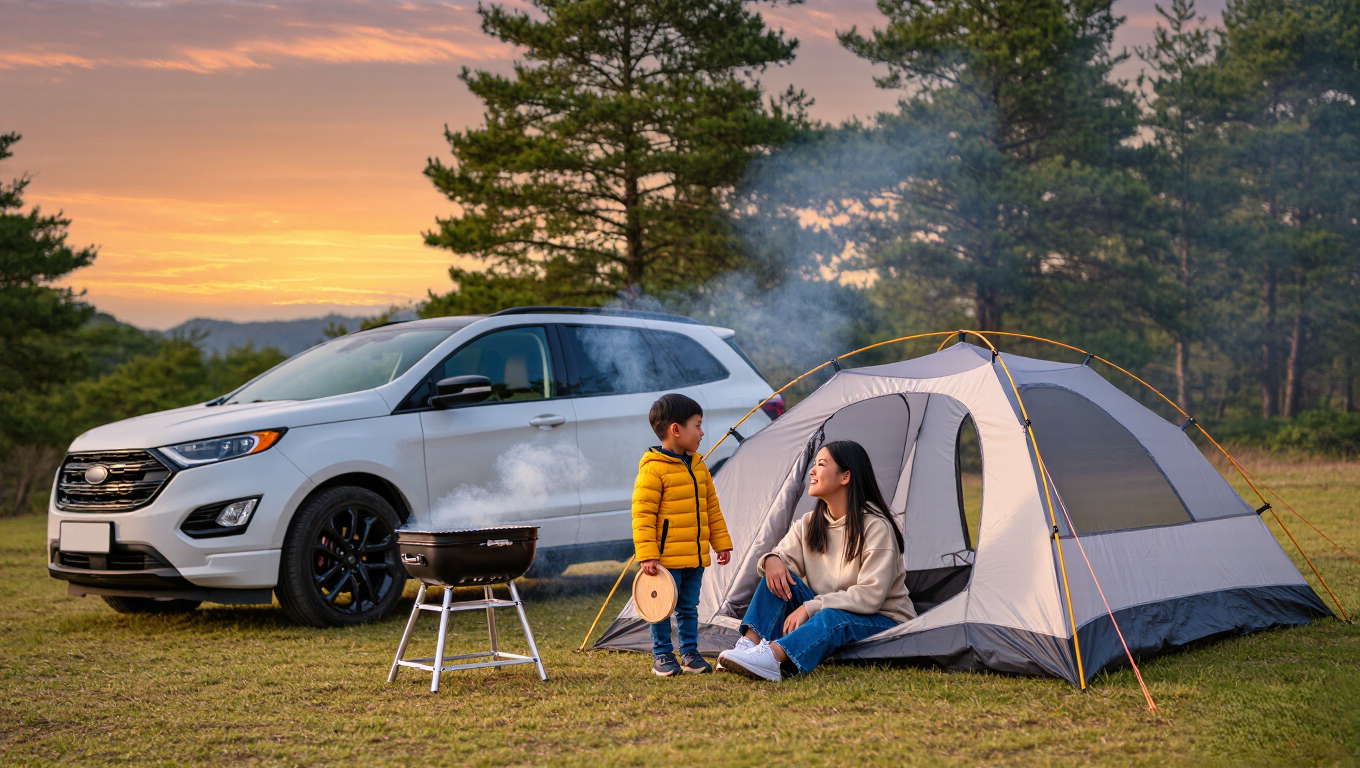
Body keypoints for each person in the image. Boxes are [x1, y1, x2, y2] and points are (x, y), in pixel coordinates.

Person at [717, 440, 913, 682]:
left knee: (830, 617)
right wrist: (772, 560)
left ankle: (773, 658)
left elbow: (870, 597)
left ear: (845, 476)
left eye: (821, 464)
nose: (812, 471)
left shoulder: (876, 526)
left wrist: (811, 606)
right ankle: (747, 646)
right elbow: (782, 556)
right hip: (829, 609)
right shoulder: (811, 522)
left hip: (883, 621)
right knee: (778, 578)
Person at [632, 393, 733, 676]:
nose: (702, 432)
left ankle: (689, 654)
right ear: (676, 430)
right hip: (666, 559)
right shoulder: (653, 469)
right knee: (661, 608)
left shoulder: (699, 466)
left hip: (695, 556)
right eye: (697, 425)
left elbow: (712, 508)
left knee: (689, 607)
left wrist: (720, 543)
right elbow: (643, 516)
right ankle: (663, 656)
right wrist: (648, 555)